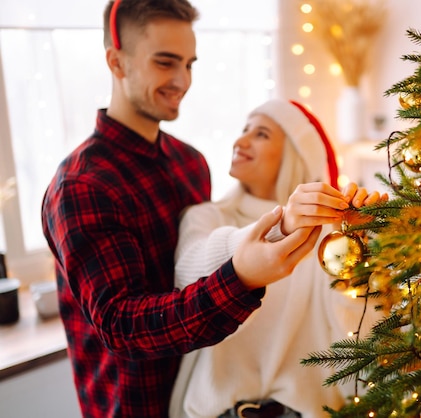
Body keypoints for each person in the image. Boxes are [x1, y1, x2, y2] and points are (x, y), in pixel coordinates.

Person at [41, 2, 352, 417]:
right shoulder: (83, 184)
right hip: (132, 407)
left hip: (196, 398)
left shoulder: (190, 163)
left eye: (189, 64)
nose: (181, 81)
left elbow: (199, 257)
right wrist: (240, 277)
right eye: (165, 63)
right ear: (116, 61)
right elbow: (122, 326)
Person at [169, 99, 387, 418]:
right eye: (244, 130)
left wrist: (358, 256)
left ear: (295, 153)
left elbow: (360, 343)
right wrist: (281, 225)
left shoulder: (326, 237)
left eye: (261, 134)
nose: (240, 141)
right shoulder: (206, 217)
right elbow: (191, 275)